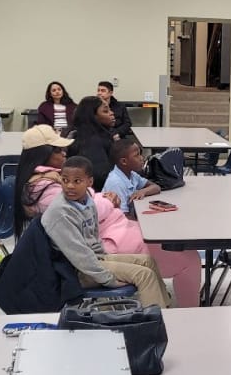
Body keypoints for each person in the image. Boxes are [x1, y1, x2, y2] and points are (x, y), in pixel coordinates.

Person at [16, 127, 200, 306]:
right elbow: (82, 242)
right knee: (184, 260)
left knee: (151, 262)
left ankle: (164, 311)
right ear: (42, 154)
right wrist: (108, 200)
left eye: (77, 182)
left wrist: (98, 198)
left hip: (102, 245)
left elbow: (89, 207)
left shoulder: (56, 179)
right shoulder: (50, 194)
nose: (64, 153)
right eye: (58, 150)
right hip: (99, 251)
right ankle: (161, 320)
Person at [41, 155, 171, 308]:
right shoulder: (60, 213)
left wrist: (106, 259)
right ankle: (155, 325)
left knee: (148, 261)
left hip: (94, 260)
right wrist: (108, 279)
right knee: (144, 275)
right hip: (74, 271)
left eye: (77, 181)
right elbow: (79, 257)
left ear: (90, 182)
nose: (69, 186)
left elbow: (93, 239)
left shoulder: (86, 201)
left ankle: (165, 312)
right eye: (65, 180)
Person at [68, 96, 116, 191]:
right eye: (106, 111)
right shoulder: (92, 141)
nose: (112, 113)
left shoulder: (83, 134)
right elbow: (100, 176)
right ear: (93, 117)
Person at [103, 139, 160, 214]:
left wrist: (142, 191)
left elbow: (156, 187)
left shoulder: (132, 174)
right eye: (137, 155)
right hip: (116, 222)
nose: (141, 158)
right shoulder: (116, 183)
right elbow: (123, 217)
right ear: (124, 161)